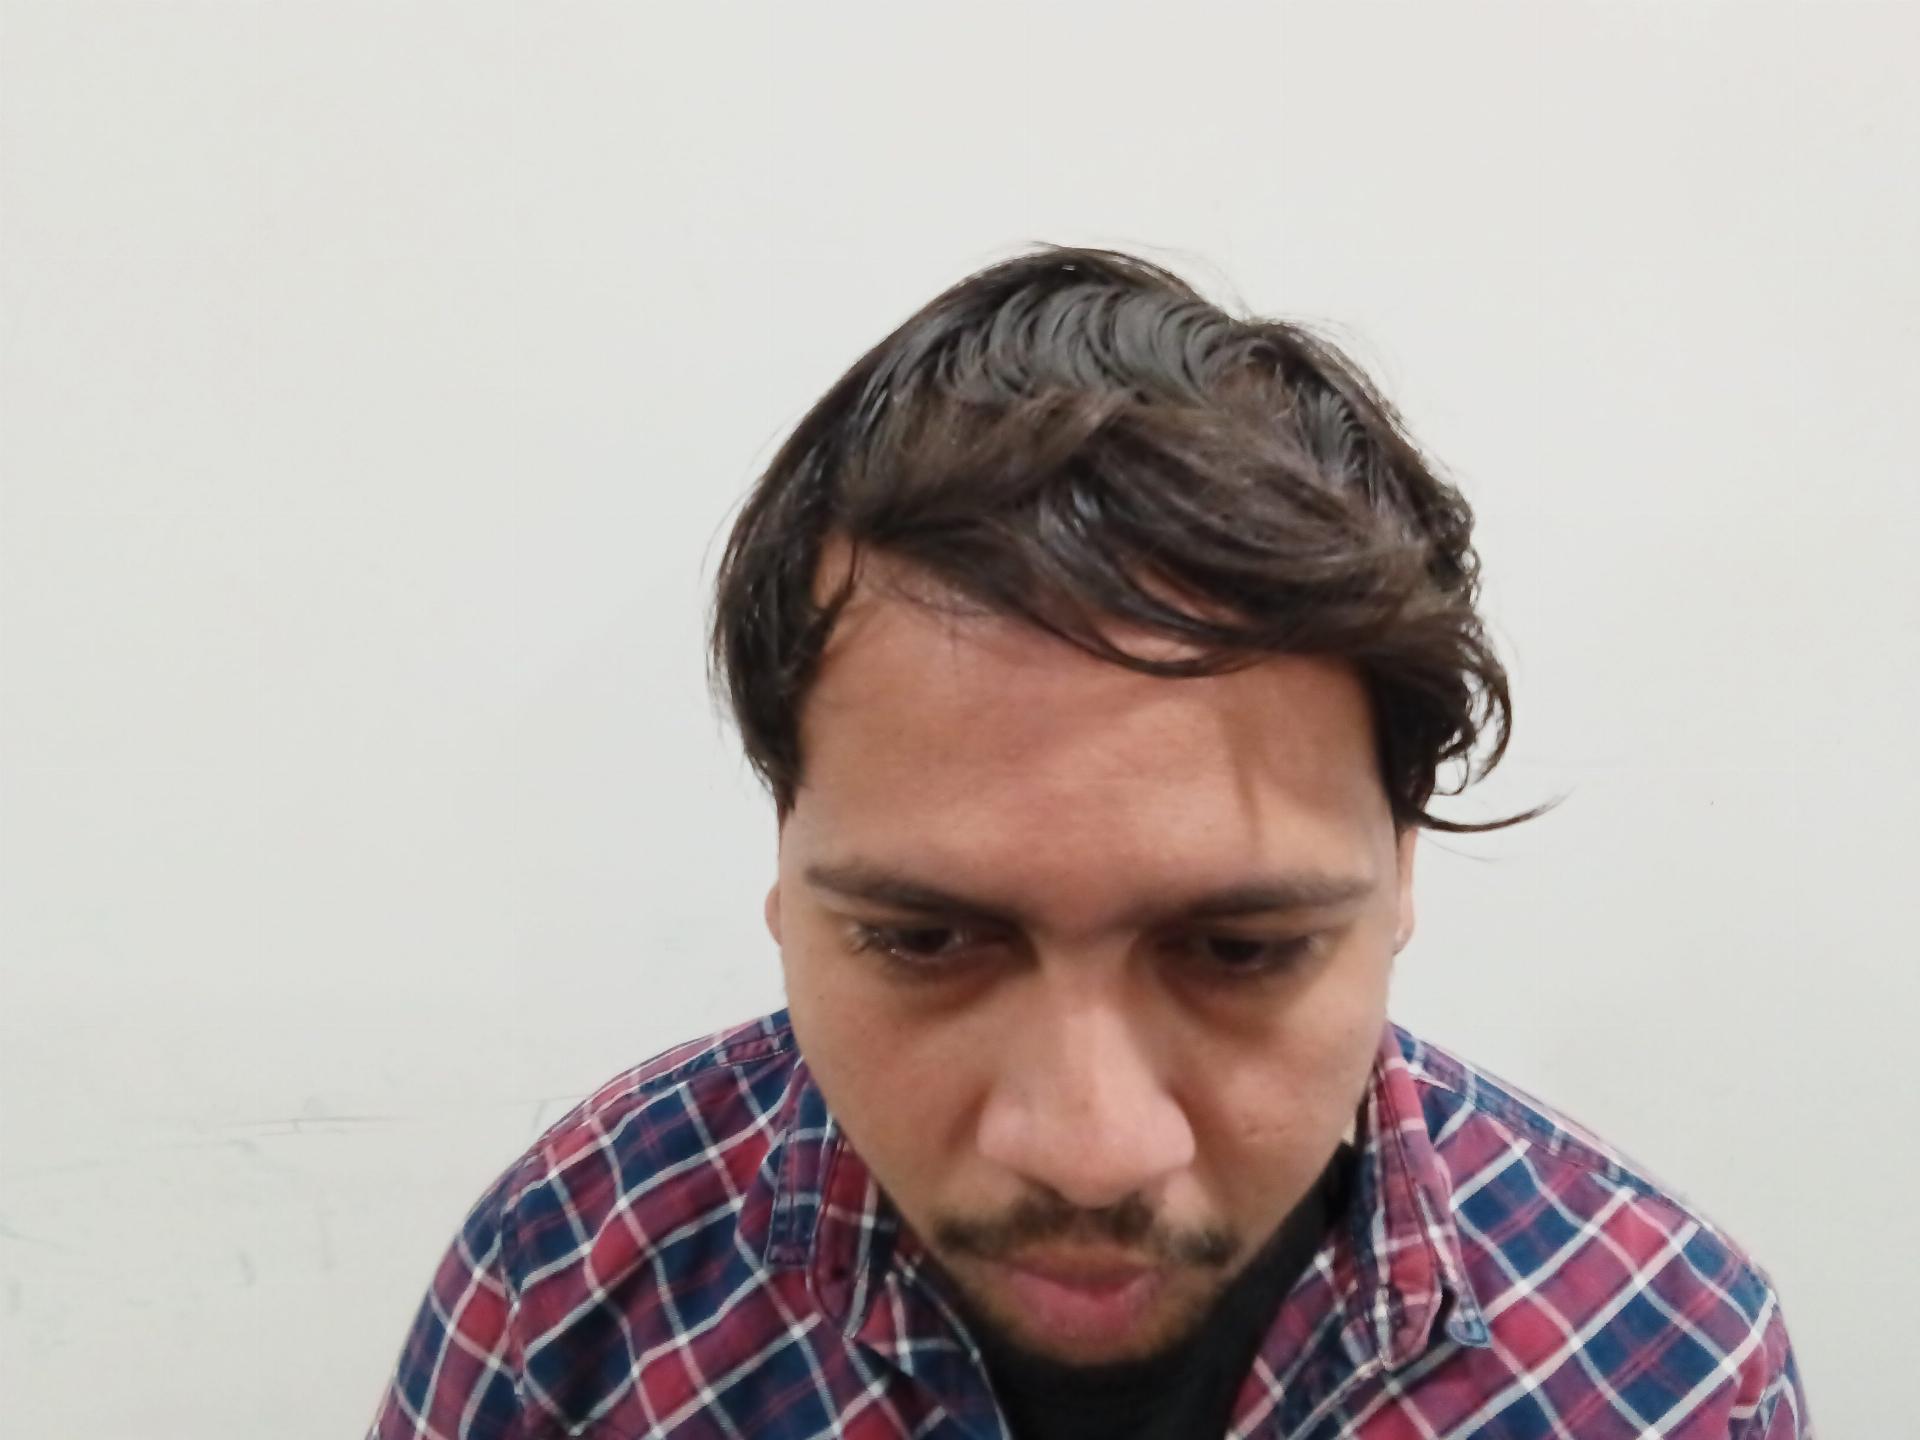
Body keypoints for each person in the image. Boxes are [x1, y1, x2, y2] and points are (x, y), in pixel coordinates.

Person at [369, 246, 1810, 1439]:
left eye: (1239, 950)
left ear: (1401, 879)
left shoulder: (1665, 1369)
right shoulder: (575, 1284)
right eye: (923, 940)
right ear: (784, 874)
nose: (1089, 1152)